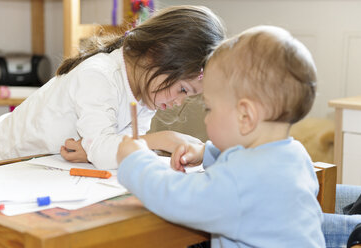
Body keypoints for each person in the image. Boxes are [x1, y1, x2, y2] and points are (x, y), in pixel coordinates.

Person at [116, 25, 326, 247]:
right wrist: (207, 153)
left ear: (246, 116)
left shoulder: (239, 182)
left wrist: (136, 161)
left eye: (209, 108)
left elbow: (178, 198)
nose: (206, 119)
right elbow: (251, 168)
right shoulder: (296, 155)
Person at [0, 5, 226, 169]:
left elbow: (121, 148)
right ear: (157, 55)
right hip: (4, 158)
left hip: (46, 163)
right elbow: (109, 149)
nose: (179, 102)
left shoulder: (147, 90)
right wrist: (163, 139)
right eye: (183, 89)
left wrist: (91, 149)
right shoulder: (99, 76)